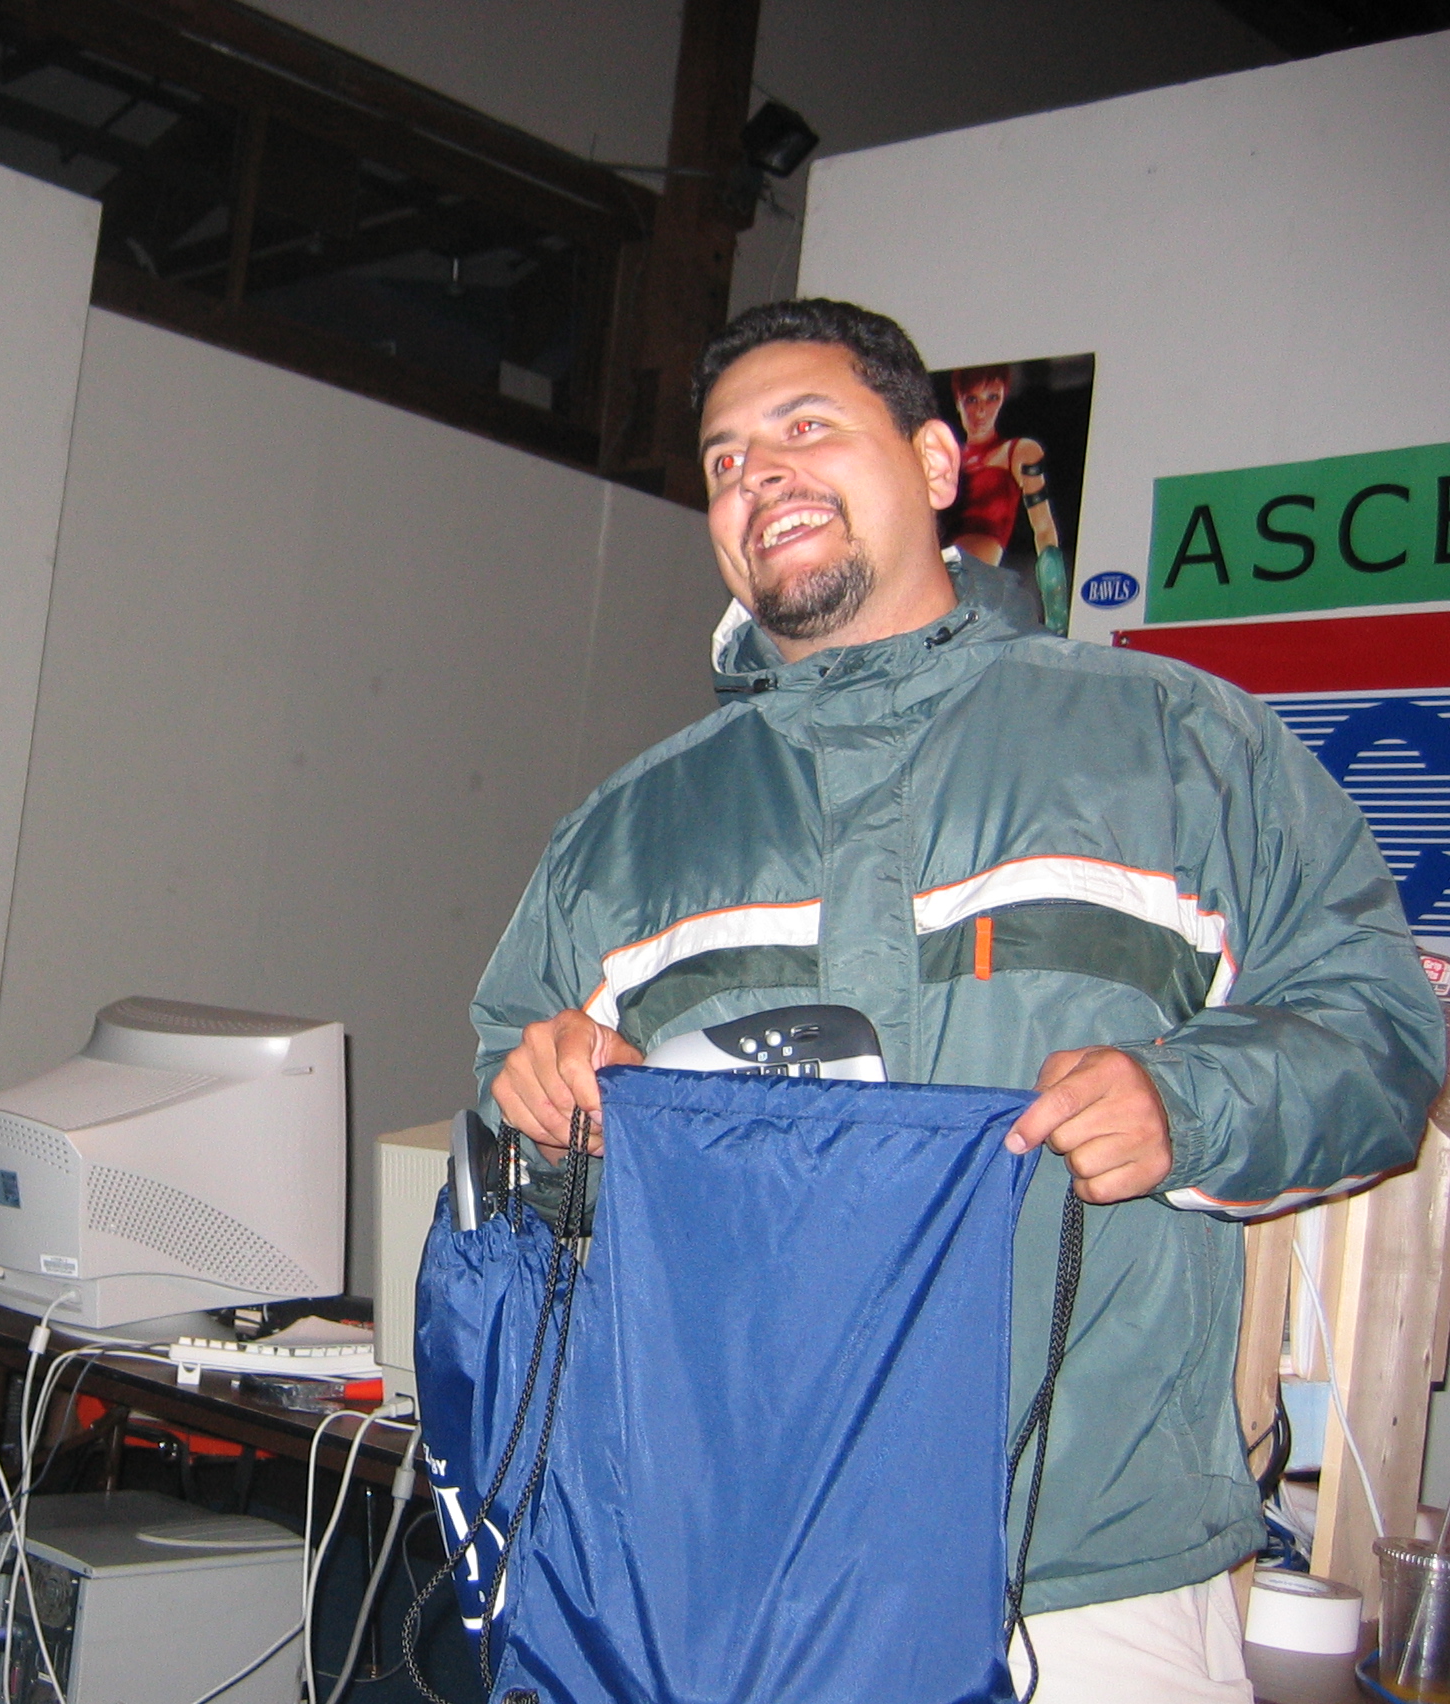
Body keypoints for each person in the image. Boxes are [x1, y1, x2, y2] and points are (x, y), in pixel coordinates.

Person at [473, 299, 1443, 1702]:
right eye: (727, 460)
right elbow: (523, 1178)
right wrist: (549, 1119)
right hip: (722, 1568)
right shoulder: (624, 837)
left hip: (1079, 1579)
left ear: (937, 464)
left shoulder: (1175, 743)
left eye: (807, 427)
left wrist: (1189, 1105)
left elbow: (1379, 1033)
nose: (759, 475)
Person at [947, 363, 1070, 634]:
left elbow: (1044, 530)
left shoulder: (1018, 451)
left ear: (1003, 398)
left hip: (972, 587)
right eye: (971, 400)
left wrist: (1057, 615)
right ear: (958, 402)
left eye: (992, 398)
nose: (981, 411)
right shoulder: (943, 458)